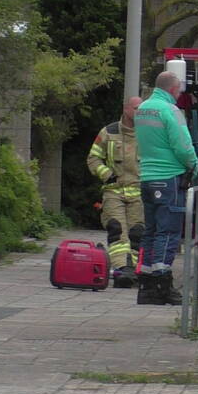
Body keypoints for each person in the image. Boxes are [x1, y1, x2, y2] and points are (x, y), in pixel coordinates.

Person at [134, 71, 198, 305]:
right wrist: (195, 165)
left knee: (150, 231)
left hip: (147, 177)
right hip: (169, 177)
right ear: (173, 89)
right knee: (168, 232)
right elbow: (182, 145)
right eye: (179, 90)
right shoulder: (170, 111)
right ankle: (163, 283)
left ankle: (146, 285)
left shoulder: (142, 109)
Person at [86, 96, 144, 288]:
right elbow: (93, 158)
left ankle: (133, 270)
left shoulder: (148, 134)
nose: (139, 112)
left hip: (139, 193)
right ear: (126, 109)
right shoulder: (108, 132)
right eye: (136, 108)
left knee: (137, 233)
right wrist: (107, 175)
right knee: (116, 229)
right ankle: (121, 269)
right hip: (114, 191)